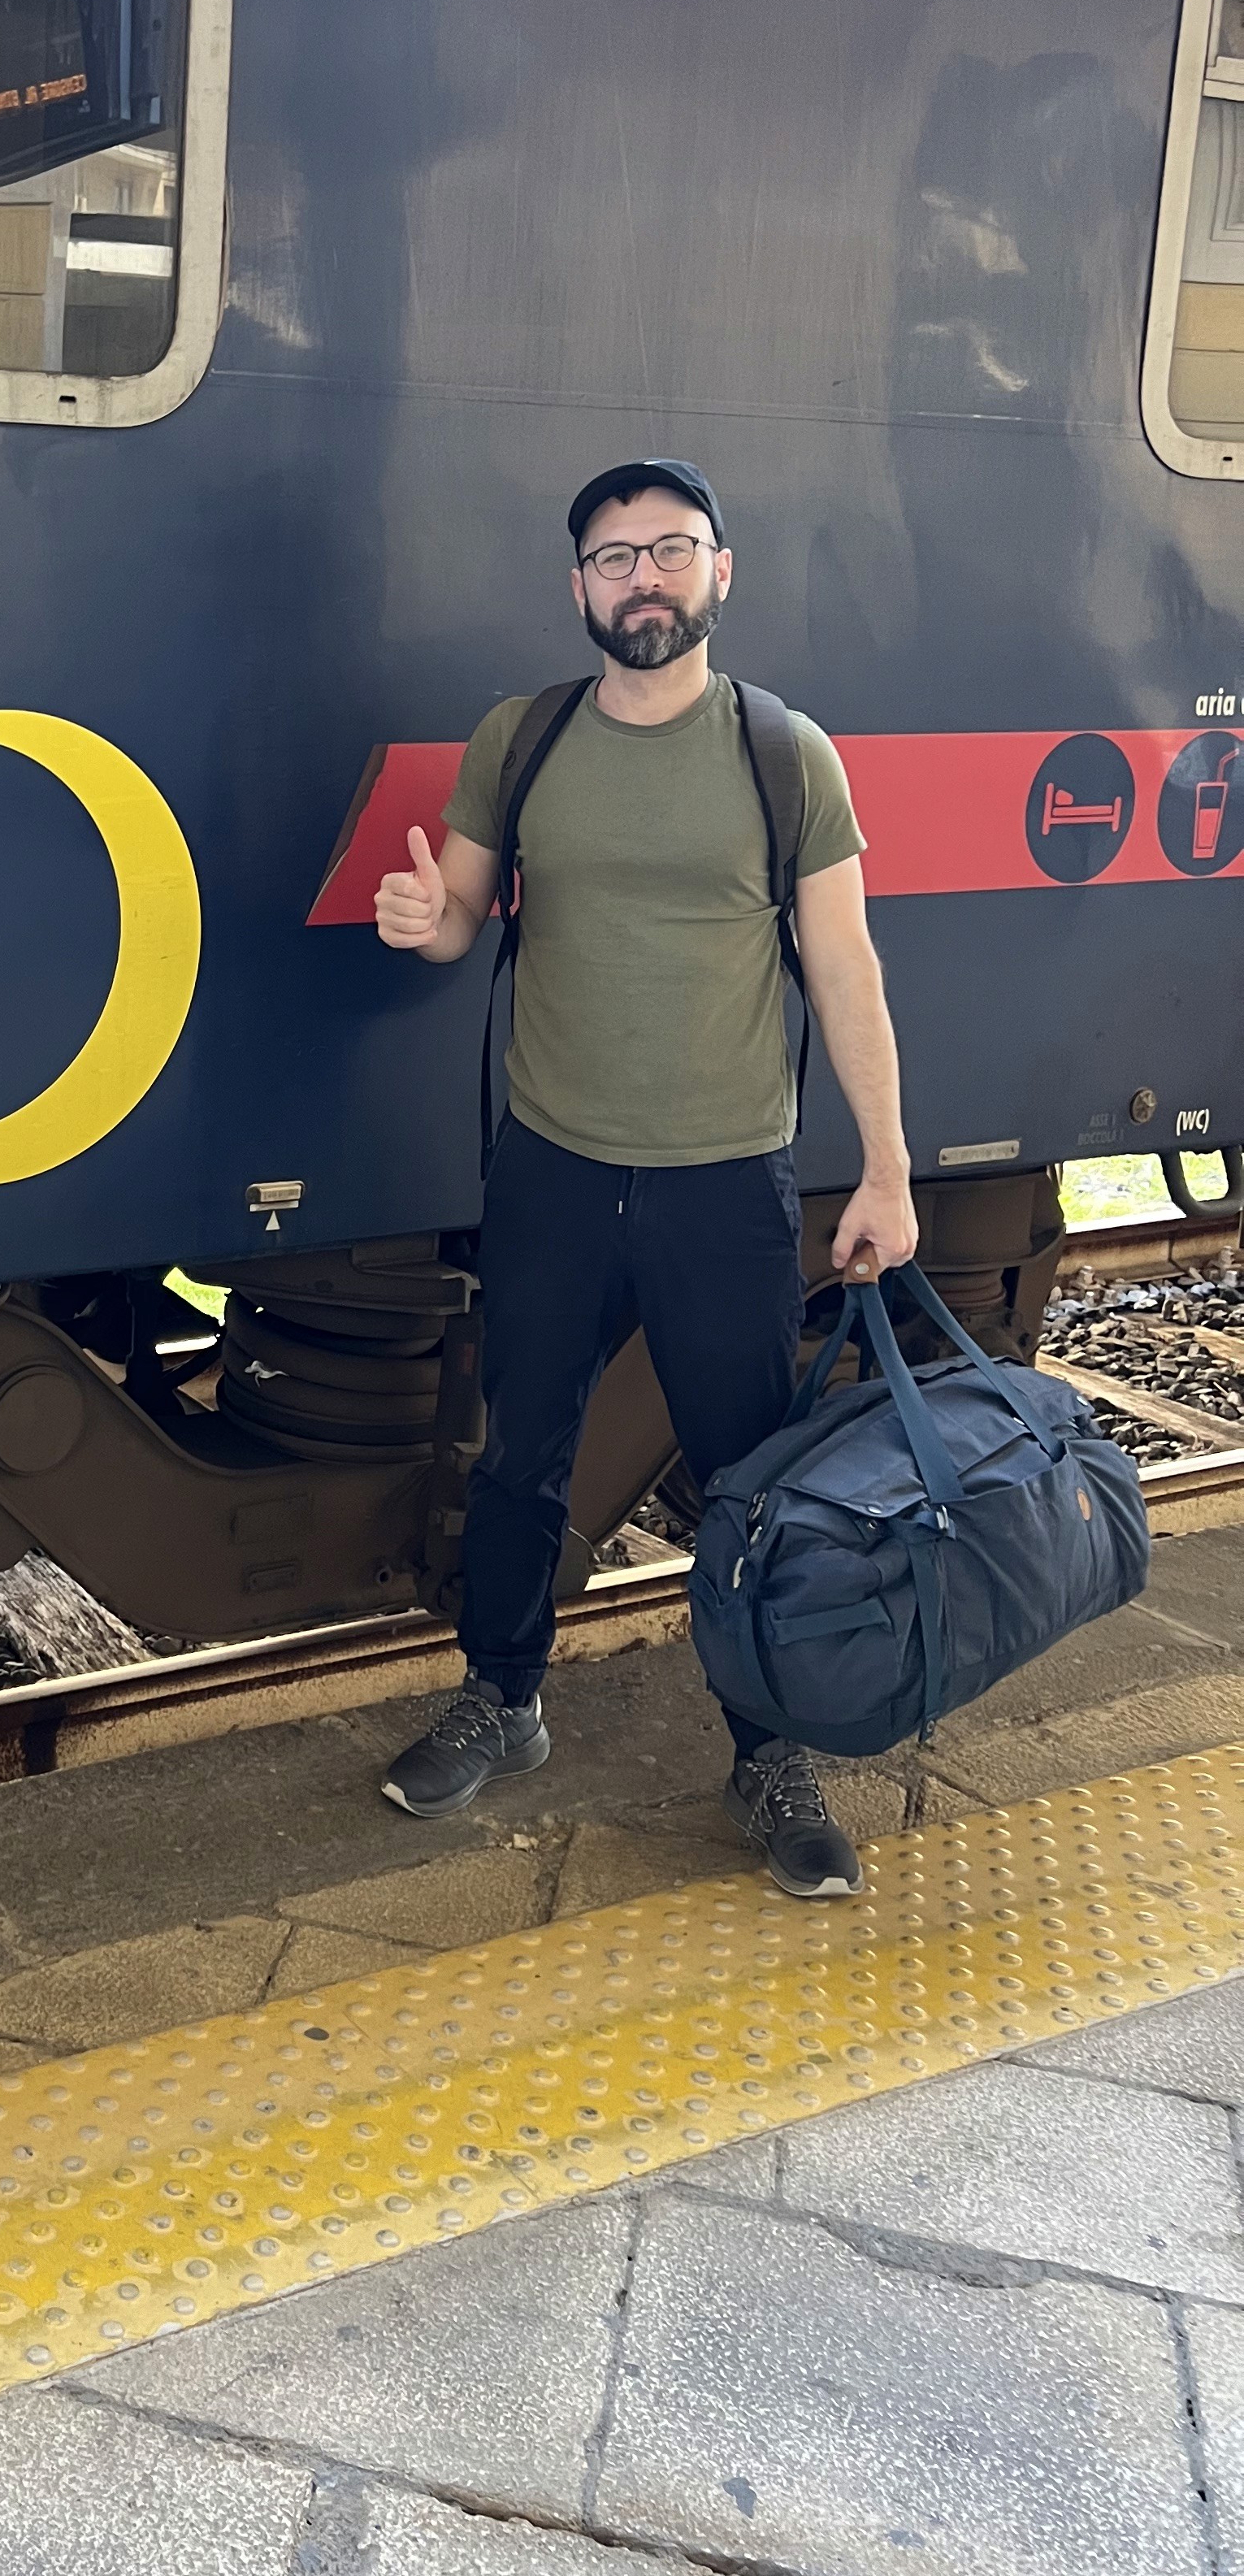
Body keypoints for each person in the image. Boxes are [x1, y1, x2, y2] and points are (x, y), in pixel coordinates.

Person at [372, 457, 917, 1898]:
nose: (644, 579)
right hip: (551, 1168)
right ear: (580, 589)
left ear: (719, 572)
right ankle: (503, 1701)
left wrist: (887, 1168)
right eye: (615, 559)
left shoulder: (784, 754)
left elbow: (845, 968)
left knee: (745, 1477)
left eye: (671, 550)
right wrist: (424, 918)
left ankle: (770, 1752)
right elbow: (462, 916)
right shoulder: (525, 736)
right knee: (519, 1457)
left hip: (724, 1183)